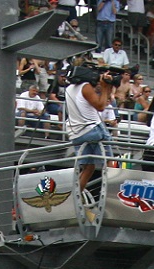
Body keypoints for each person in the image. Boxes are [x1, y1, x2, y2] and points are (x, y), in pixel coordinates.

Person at [64, 63, 112, 199]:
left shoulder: (69, 89)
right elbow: (101, 106)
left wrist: (106, 85)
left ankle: (75, 198)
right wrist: (104, 86)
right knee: (110, 164)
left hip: (76, 133)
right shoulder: (85, 87)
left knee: (88, 167)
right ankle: (112, 198)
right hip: (93, 129)